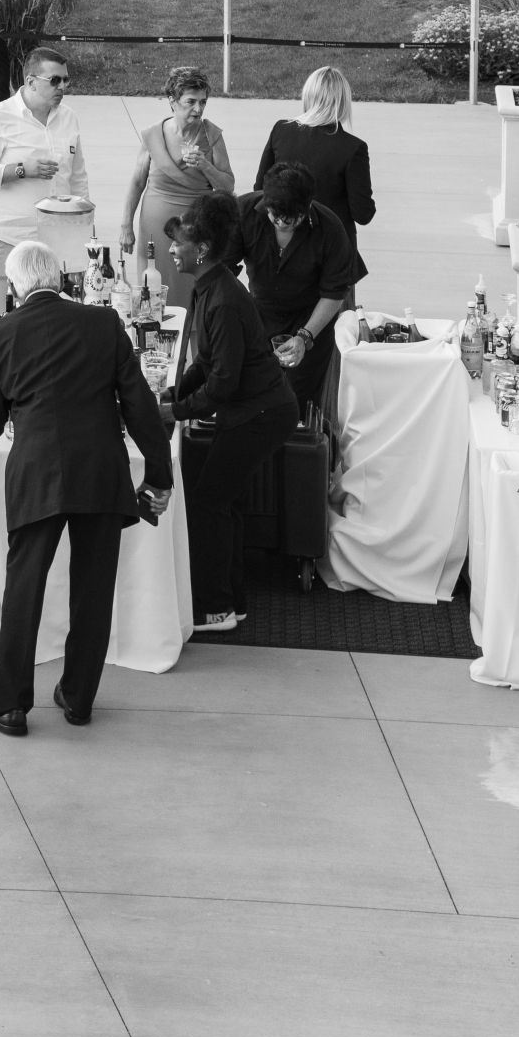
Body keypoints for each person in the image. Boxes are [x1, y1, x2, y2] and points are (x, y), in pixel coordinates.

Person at [0, 240, 174, 735]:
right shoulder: (104, 325)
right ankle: (78, 699)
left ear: (15, 288)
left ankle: (9, 705)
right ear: (60, 278)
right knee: (94, 591)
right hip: (101, 471)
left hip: (37, 476)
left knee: (25, 590)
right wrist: (160, 476)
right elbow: (140, 406)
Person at [165, 193, 300, 633]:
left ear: (201, 249)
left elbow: (222, 382)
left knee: (208, 504)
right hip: (253, 409)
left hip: (260, 413)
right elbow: (205, 363)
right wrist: (171, 394)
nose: (171, 249)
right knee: (224, 503)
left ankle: (216, 608)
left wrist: (177, 412)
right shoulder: (210, 288)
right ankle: (233, 601)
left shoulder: (221, 299)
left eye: (178, 242)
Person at [0, 44, 90, 313]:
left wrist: (84, 231)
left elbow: (78, 177)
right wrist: (21, 169)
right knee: (0, 320)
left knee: (57, 323)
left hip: (58, 240)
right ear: (31, 82)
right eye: (54, 80)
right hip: (8, 237)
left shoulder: (69, 118)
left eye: (66, 80)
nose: (62, 87)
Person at [233, 163, 357, 411]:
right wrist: (240, 313)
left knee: (298, 400)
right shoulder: (244, 212)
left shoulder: (330, 228)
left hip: (310, 318)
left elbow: (334, 293)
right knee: (252, 393)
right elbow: (221, 268)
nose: (281, 223)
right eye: (275, 216)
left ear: (308, 206)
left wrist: (305, 336)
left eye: (292, 220)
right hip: (258, 312)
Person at [117, 66, 236, 311]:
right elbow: (138, 181)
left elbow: (227, 186)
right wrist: (126, 225)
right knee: (153, 290)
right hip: (154, 228)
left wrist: (205, 165)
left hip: (196, 229)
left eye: (203, 102)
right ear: (172, 101)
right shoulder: (152, 135)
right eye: (191, 101)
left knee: (192, 293)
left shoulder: (212, 136)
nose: (198, 109)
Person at [255, 67, 376, 282]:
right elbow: (363, 214)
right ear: (343, 101)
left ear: (308, 96)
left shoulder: (281, 131)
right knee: (338, 315)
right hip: (332, 254)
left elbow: (260, 189)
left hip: (283, 246)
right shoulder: (353, 148)